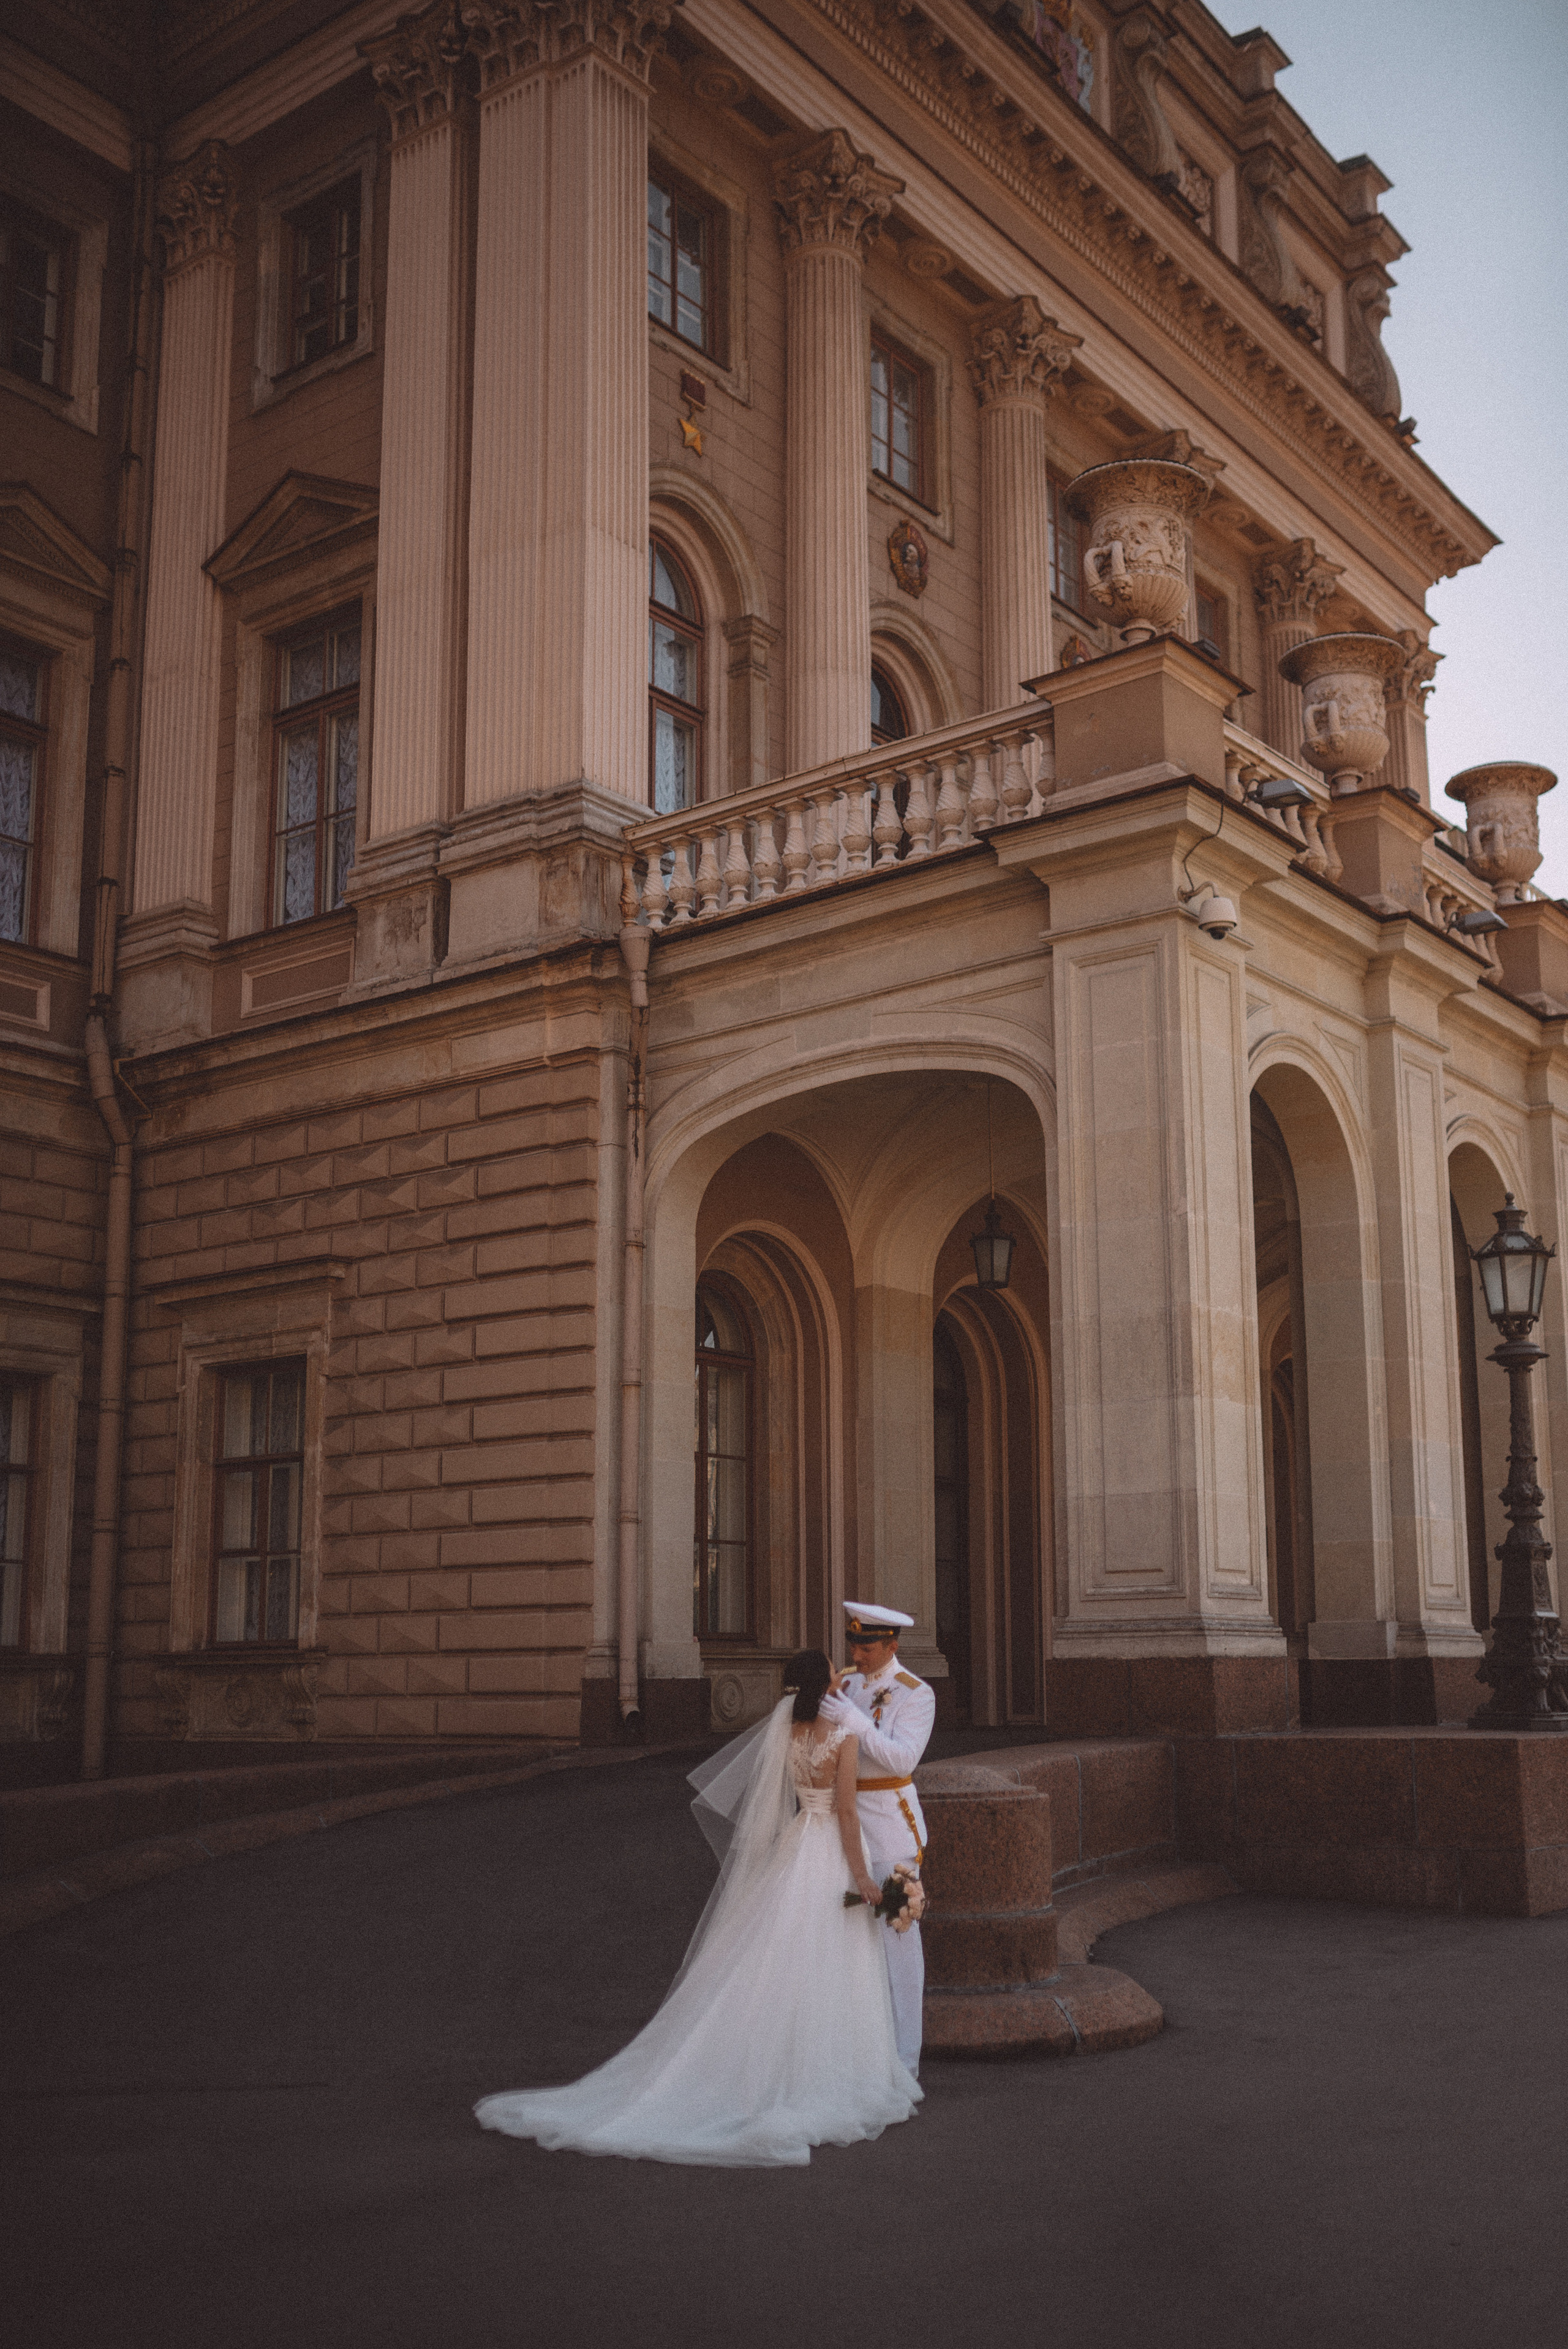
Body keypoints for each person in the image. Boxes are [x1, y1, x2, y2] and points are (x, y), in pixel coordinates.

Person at [474, 1649, 922, 2167]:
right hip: (831, 1852)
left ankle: (764, 2062)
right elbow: (846, 1809)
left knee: (779, 1955)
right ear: (824, 1682)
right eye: (830, 1669)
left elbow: (794, 1797)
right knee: (831, 1959)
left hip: (797, 1844)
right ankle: (828, 2072)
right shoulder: (841, 1736)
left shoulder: (788, 1731)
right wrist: (863, 1876)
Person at [818, 1601, 936, 2076]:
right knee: (846, 1936)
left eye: (867, 1645)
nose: (857, 1652)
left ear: (892, 1644)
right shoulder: (844, 1682)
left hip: (888, 1827)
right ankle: (860, 2053)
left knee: (898, 1935)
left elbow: (902, 1759)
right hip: (841, 1825)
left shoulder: (915, 1693)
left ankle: (906, 2060)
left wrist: (857, 1723)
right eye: (853, 1643)